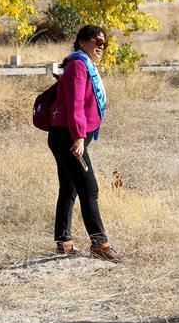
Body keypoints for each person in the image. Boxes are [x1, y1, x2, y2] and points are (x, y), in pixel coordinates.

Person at [48, 25, 124, 262]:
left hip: (66, 135)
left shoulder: (83, 65)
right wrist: (79, 136)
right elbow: (75, 104)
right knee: (89, 189)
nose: (101, 45)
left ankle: (64, 242)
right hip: (69, 138)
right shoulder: (79, 66)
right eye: (96, 41)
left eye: (104, 42)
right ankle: (100, 244)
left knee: (69, 189)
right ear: (81, 42)